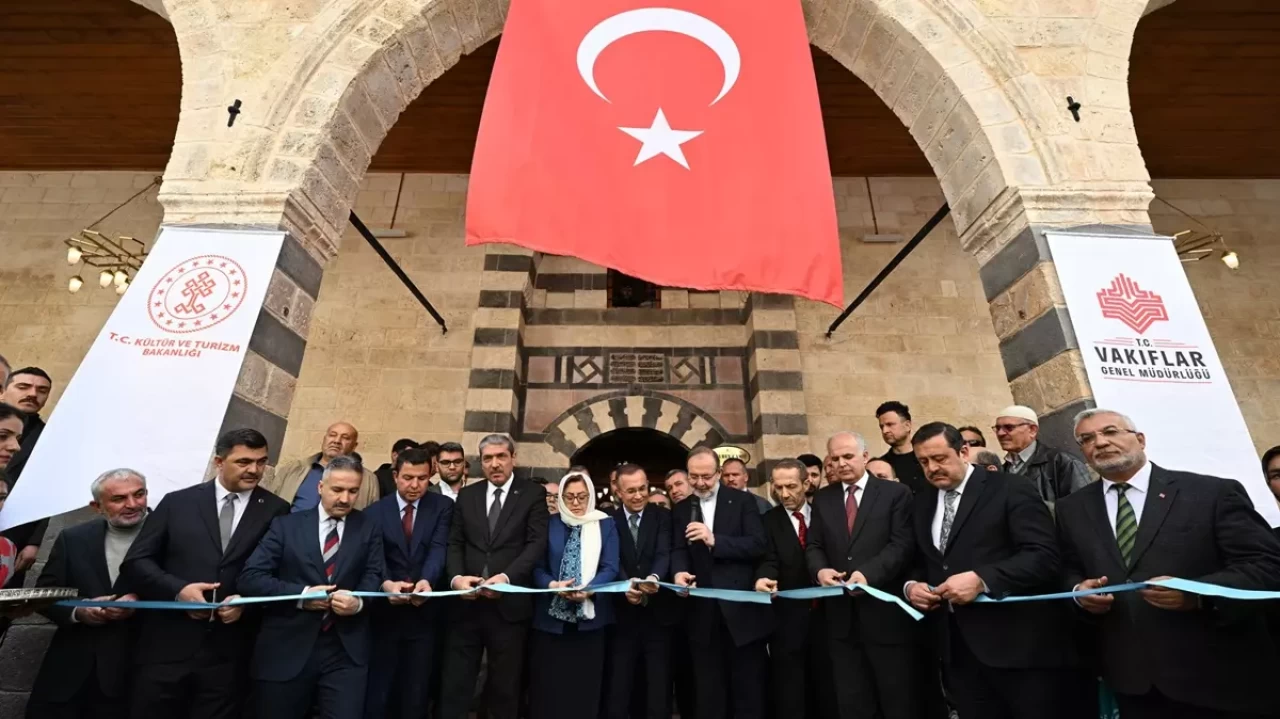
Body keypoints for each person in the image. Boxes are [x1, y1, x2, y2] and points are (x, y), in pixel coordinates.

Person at [1058, 409, 1280, 719]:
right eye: (1087, 438)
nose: (1100, 442)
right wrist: (1078, 592)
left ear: (1140, 439)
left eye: (1110, 432)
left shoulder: (1211, 493)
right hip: (1134, 683)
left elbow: (1266, 565)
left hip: (1220, 676)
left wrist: (1197, 595)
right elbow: (1067, 568)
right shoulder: (1071, 509)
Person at [905, 422, 1075, 719]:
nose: (932, 468)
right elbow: (923, 559)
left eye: (940, 458)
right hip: (958, 652)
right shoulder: (922, 501)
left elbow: (1043, 556)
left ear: (963, 452)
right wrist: (912, 585)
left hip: (1018, 647)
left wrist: (983, 580)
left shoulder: (1010, 488)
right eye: (923, 462)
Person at [120, 428, 291, 719]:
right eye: (244, 462)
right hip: (167, 646)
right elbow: (137, 562)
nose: (254, 470)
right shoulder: (178, 503)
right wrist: (179, 591)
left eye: (261, 462)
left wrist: (246, 604)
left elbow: (280, 574)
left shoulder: (277, 510)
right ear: (219, 462)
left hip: (229, 653)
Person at [239, 456, 387, 719]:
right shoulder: (287, 525)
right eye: (337, 490)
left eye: (353, 491)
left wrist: (358, 602)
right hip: (287, 647)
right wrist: (302, 595)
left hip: (345, 650)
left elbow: (373, 573)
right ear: (320, 487)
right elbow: (251, 578)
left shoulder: (368, 527)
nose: (345, 499)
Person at [806, 433, 927, 719]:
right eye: (835, 458)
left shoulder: (894, 493)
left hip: (885, 615)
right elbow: (814, 545)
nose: (841, 463)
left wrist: (868, 575)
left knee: (897, 699)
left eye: (848, 456)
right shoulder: (823, 499)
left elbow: (901, 545)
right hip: (841, 620)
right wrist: (820, 570)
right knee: (853, 701)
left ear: (865, 456)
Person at [439, 434, 549, 719]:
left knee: (505, 688)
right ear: (480, 463)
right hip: (467, 604)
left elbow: (536, 544)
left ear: (513, 458)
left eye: (501, 456)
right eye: (487, 458)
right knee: (455, 684)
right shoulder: (468, 495)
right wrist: (457, 579)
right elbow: (455, 542)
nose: (495, 463)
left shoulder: (532, 494)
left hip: (509, 608)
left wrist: (507, 578)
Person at [27, 468, 148, 719]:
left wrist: (139, 602)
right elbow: (44, 595)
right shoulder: (73, 538)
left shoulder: (172, 535)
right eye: (119, 499)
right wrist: (79, 611)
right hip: (71, 673)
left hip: (137, 673)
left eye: (139, 494)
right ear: (97, 506)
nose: (132, 504)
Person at [672, 446, 773, 719]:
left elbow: (758, 545)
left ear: (718, 473)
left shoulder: (743, 501)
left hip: (741, 613)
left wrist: (715, 540)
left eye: (706, 476)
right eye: (694, 477)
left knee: (748, 693)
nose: (700, 483)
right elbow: (678, 550)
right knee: (709, 695)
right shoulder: (681, 508)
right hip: (701, 615)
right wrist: (679, 573)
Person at [363, 447, 453, 719]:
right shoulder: (375, 512)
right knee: (380, 686)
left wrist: (427, 580)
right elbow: (375, 556)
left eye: (422, 478)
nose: (415, 485)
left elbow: (439, 547)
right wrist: (386, 583)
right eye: (408, 478)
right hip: (385, 612)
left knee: (417, 687)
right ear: (395, 476)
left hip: (424, 611)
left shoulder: (442, 507)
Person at [529, 471, 620, 719]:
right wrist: (553, 585)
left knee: (585, 687)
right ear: (561, 498)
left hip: (590, 620)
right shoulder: (549, 523)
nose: (576, 503)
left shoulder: (605, 524)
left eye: (582, 496)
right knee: (549, 687)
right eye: (569, 497)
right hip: (551, 621)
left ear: (590, 496)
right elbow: (536, 567)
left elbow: (610, 566)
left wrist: (589, 589)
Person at [755, 459, 836, 719]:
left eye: (791, 486)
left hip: (830, 619)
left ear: (806, 483)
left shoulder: (827, 515)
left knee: (828, 690)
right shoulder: (767, 521)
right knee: (790, 694)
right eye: (778, 487)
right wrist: (764, 578)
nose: (784, 494)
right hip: (787, 622)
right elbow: (767, 559)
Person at [605, 464, 674, 719]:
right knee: (619, 686)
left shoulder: (663, 516)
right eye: (631, 491)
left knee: (659, 686)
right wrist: (626, 584)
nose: (638, 496)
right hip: (621, 616)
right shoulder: (608, 521)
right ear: (618, 492)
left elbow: (664, 552)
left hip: (658, 615)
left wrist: (654, 579)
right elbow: (610, 559)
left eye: (642, 489)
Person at [1, 367, 54, 579]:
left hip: (14, 535)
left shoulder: (50, 437)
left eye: (42, 390)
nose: (33, 394)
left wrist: (34, 541)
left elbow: (48, 491)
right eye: (23, 387)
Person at [263, 422, 380, 512]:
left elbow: (372, 517)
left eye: (345, 438)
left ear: (354, 446)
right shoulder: (292, 469)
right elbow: (269, 506)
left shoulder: (368, 479)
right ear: (324, 439)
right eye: (332, 435)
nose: (337, 441)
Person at [994, 405, 1091, 508]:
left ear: (1032, 430)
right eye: (997, 428)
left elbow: (1083, 507)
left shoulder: (1062, 463)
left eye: (1009, 427)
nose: (1000, 433)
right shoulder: (1002, 471)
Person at [875, 401, 928, 495]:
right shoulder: (883, 465)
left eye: (890, 424)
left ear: (907, 425)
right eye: (881, 427)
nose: (884, 431)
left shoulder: (928, 457)